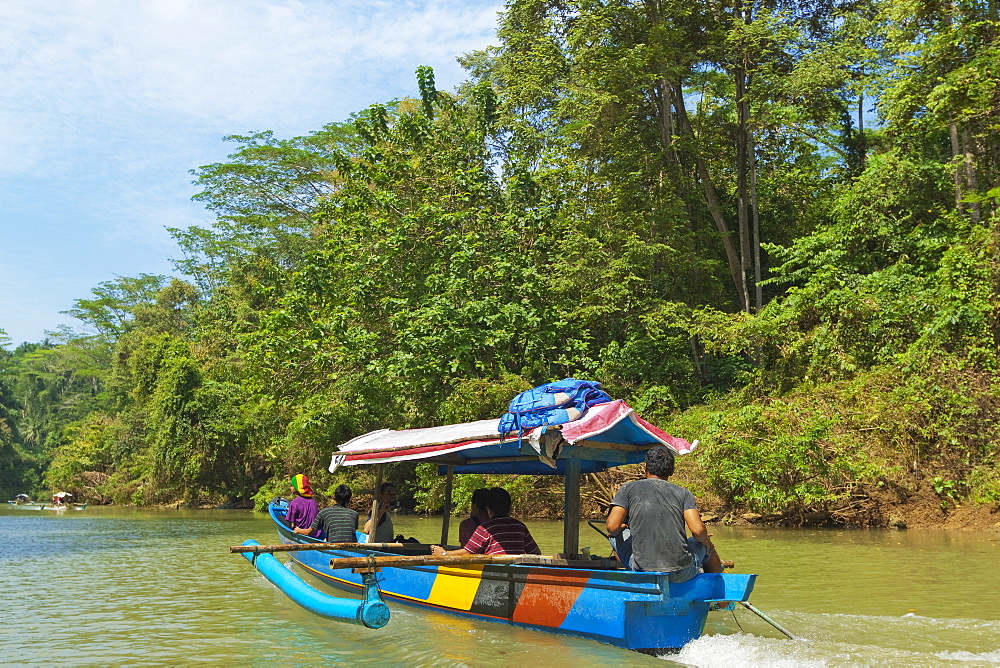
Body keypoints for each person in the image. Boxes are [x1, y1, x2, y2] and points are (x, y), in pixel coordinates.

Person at [605, 445, 723, 582]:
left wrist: (622, 528)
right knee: (705, 543)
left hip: (643, 570)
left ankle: (635, 581)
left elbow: (612, 527)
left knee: (615, 536)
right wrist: (705, 540)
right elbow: (698, 531)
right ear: (672, 471)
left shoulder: (627, 489)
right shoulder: (684, 494)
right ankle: (721, 600)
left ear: (646, 468)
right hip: (680, 572)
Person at [430, 487, 540, 556]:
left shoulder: (486, 528)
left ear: (489, 510)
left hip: (494, 572)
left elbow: (467, 552)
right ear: (509, 507)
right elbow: (536, 552)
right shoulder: (520, 526)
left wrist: (443, 553)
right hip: (517, 573)